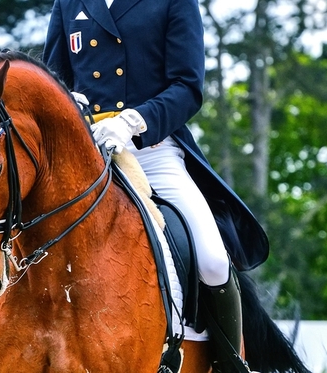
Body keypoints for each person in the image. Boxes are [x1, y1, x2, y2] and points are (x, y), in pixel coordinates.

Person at [43, 0, 269, 372]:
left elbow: (188, 86)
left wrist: (133, 123)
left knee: (212, 261)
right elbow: (54, 79)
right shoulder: (69, 2)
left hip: (153, 150)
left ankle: (230, 363)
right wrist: (71, 106)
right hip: (83, 154)